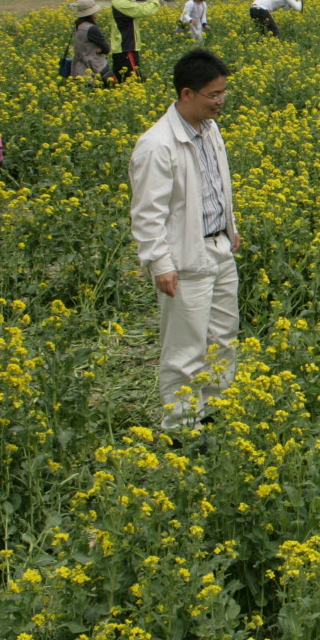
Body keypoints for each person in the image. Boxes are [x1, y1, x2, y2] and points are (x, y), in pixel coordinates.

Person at [128, 48, 240, 431]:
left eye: (223, 92)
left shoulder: (209, 128)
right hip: (185, 259)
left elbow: (216, 184)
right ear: (186, 93)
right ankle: (180, 427)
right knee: (185, 348)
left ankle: (212, 411)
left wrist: (231, 226)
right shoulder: (157, 145)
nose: (220, 101)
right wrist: (160, 263)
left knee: (223, 337)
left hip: (219, 248)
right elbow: (147, 213)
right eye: (213, 95)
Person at [109, 0, 163, 81]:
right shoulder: (122, 3)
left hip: (124, 47)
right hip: (126, 47)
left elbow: (139, 7)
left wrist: (152, 1)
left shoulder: (122, 1)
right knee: (132, 80)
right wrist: (157, 0)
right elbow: (144, 11)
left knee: (123, 80)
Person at [70, 0, 112, 84]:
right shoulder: (91, 28)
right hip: (95, 67)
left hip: (79, 68)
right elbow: (106, 49)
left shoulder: (78, 25)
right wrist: (100, 49)